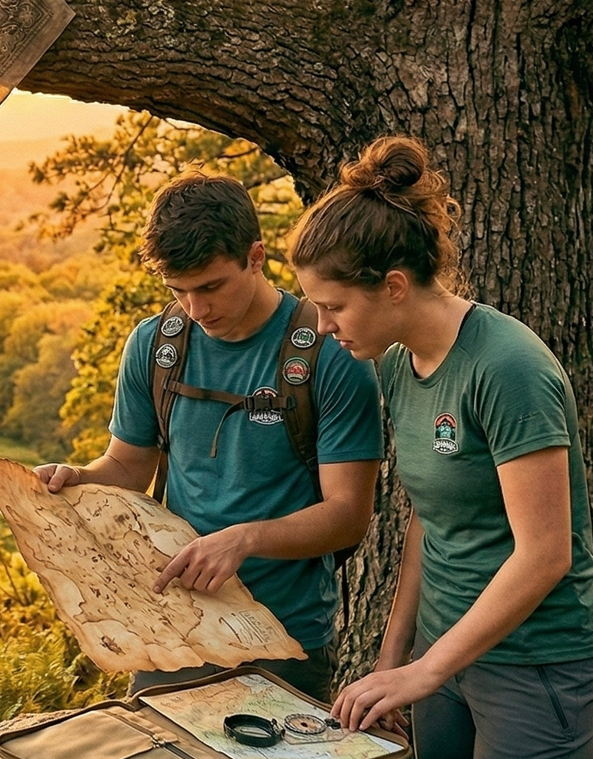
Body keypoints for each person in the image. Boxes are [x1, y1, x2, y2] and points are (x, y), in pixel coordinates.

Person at [293, 137, 593, 759]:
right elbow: (427, 522)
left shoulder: (508, 369)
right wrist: (398, 661)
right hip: (446, 658)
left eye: (334, 306)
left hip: (539, 667)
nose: (324, 326)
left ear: (394, 285)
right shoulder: (399, 363)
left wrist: (427, 670)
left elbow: (544, 557)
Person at [36, 172, 383, 700]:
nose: (197, 311)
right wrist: (76, 480)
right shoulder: (156, 346)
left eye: (211, 287)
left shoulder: (328, 354)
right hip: (171, 627)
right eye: (178, 291)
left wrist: (245, 539)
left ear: (255, 255)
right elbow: (128, 468)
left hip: (282, 639)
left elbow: (348, 513)